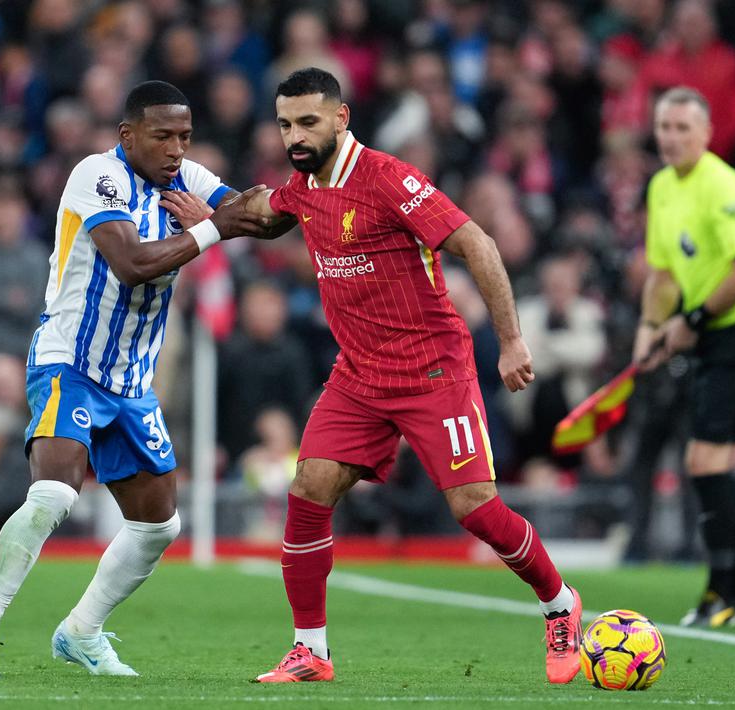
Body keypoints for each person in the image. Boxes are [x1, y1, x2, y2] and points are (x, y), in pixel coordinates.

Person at [242, 68, 582, 684]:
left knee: (475, 509)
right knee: (308, 490)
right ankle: (310, 650)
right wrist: (205, 214)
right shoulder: (304, 185)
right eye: (286, 124)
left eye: (308, 122)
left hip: (432, 369)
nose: (295, 135)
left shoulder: (388, 178)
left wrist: (510, 341)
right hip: (359, 375)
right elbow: (264, 213)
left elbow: (479, 244)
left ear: (341, 118)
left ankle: (559, 605)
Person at [0, 80, 266, 680]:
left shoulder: (188, 180)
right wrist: (215, 229)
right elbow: (132, 264)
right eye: (163, 136)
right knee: (54, 495)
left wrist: (308, 187)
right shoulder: (97, 175)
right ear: (128, 135)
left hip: (131, 382)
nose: (176, 149)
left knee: (159, 525)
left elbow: (260, 217)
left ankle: (81, 632)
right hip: (70, 362)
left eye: (185, 137)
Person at [634, 86, 735, 627]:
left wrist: (689, 322)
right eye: (664, 127)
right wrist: (650, 328)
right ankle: (733, 590)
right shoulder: (660, 187)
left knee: (706, 461)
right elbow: (663, 275)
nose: (670, 137)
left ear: (706, 133)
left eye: (682, 128)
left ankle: (728, 590)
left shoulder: (723, 185)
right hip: (713, 336)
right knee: (705, 462)